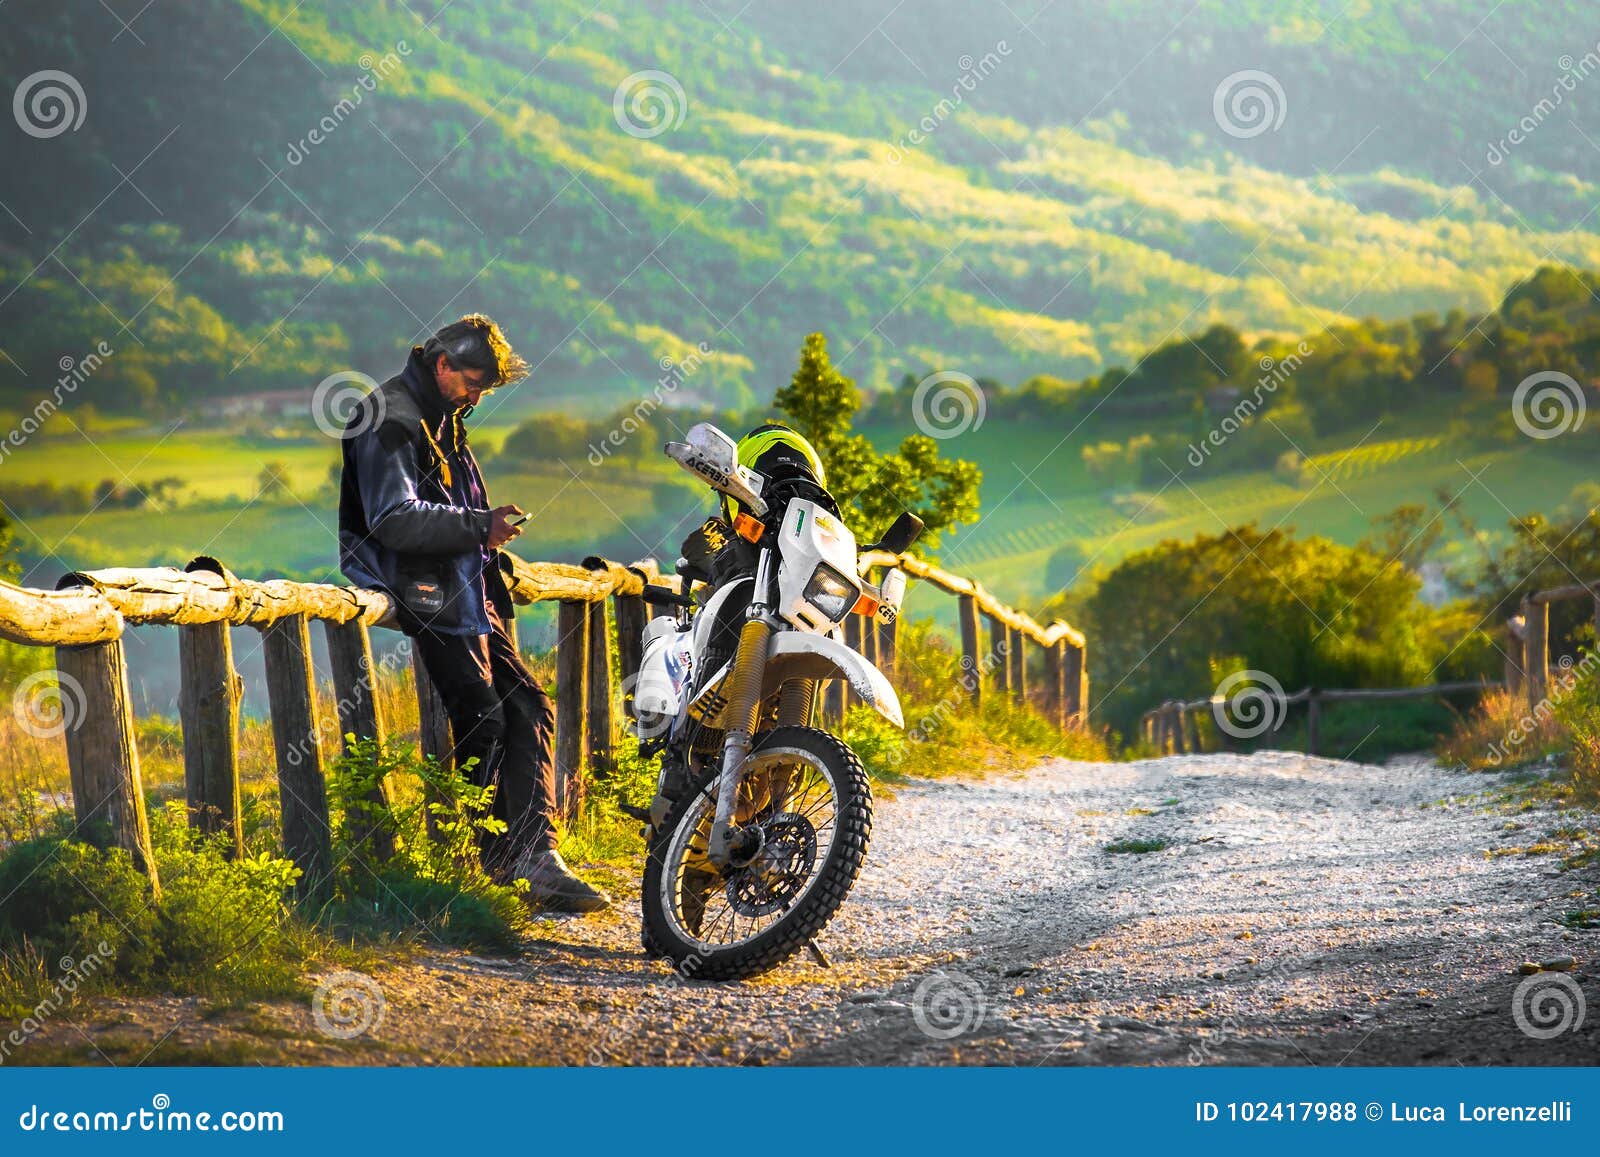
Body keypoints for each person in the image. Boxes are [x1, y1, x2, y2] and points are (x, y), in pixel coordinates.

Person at [338, 314, 609, 913]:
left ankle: (537, 856)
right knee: (483, 719)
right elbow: (392, 518)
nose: (478, 395)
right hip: (419, 584)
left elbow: (453, 502)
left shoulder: (443, 417)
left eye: (485, 385)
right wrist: (479, 528)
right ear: (442, 366)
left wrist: (486, 535)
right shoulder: (389, 415)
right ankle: (496, 864)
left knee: (529, 706)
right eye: (474, 381)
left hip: (461, 583)